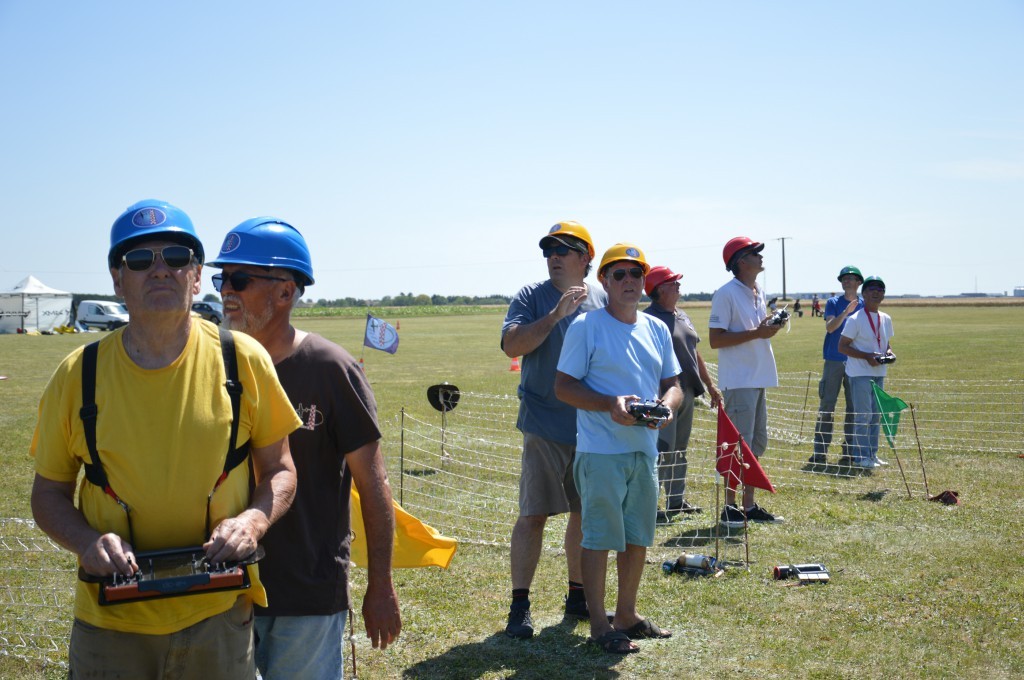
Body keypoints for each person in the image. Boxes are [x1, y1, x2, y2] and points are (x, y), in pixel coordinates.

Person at [29, 199, 301, 678]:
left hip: (219, 616)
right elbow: (48, 493)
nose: (160, 270)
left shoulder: (243, 360)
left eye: (176, 257)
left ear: (195, 277)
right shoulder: (77, 375)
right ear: (118, 280)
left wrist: (253, 522)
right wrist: (87, 542)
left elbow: (280, 470)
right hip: (110, 625)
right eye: (139, 260)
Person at [209, 217, 402, 678]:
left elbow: (373, 485)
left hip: (306, 593)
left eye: (240, 279)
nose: (227, 290)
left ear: (285, 291)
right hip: (220, 586)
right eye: (222, 278)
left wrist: (381, 584)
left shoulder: (331, 369)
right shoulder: (209, 364)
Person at [555, 243, 682, 654]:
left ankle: (626, 614)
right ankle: (598, 624)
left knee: (637, 536)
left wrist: (667, 407)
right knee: (598, 537)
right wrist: (610, 404)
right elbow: (564, 387)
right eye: (619, 274)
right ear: (604, 281)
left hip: (644, 450)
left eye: (636, 273)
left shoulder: (656, 328)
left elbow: (674, 385)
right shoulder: (585, 326)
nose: (629, 281)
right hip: (600, 452)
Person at [500, 220, 607, 639]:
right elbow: (512, 346)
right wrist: (554, 315)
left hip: (591, 426)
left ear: (585, 258)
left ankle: (577, 595)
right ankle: (520, 605)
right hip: (544, 423)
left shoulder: (602, 298)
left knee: (583, 513)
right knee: (533, 515)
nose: (554, 257)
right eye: (549, 251)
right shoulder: (531, 296)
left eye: (563, 250)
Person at [708, 236, 784, 528]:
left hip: (759, 376)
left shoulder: (758, 290)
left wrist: (769, 325)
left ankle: (748, 506)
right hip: (739, 380)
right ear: (740, 261)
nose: (760, 256)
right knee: (738, 446)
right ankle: (730, 507)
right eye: (755, 252)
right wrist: (757, 333)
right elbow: (716, 339)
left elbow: (755, 330)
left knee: (754, 446)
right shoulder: (726, 293)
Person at [641, 265, 722, 521]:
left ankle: (676, 501)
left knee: (679, 449)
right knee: (662, 450)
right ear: (659, 289)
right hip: (663, 395)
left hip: (687, 392)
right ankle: (651, 505)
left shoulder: (682, 315)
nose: (678, 286)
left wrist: (710, 385)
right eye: (672, 282)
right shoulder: (646, 319)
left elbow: (694, 353)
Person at [839, 276, 896, 469]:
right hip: (859, 373)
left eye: (880, 289)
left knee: (876, 415)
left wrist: (889, 354)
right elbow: (842, 347)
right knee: (863, 415)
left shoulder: (886, 318)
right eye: (872, 289)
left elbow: (886, 343)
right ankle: (860, 456)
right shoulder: (855, 319)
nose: (876, 293)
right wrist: (866, 356)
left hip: (879, 372)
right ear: (863, 294)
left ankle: (872, 454)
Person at [809, 266, 864, 466]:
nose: (846, 281)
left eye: (851, 278)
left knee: (854, 408)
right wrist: (845, 312)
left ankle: (850, 451)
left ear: (859, 282)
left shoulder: (865, 305)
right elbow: (830, 327)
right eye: (844, 279)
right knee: (826, 406)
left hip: (855, 362)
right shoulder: (833, 303)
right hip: (833, 360)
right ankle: (820, 452)